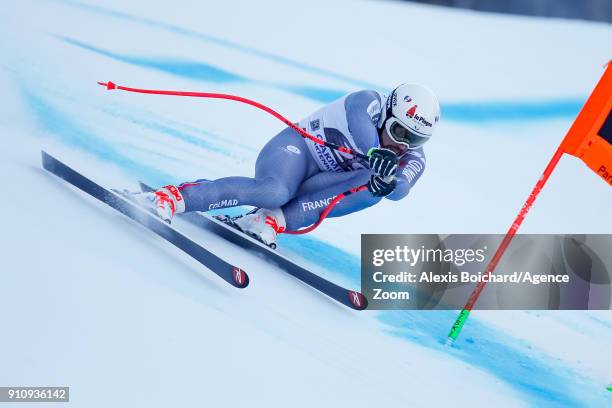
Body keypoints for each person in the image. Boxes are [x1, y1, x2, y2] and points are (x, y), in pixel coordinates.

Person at [144, 83, 440, 247]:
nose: (403, 145)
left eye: (416, 140)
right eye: (400, 132)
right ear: (388, 112)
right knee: (274, 192)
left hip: (318, 184)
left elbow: (402, 189)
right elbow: (358, 120)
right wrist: (375, 151)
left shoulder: (412, 155)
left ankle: (269, 220)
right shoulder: (369, 101)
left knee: (378, 187)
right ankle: (172, 197)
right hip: (295, 153)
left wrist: (390, 183)